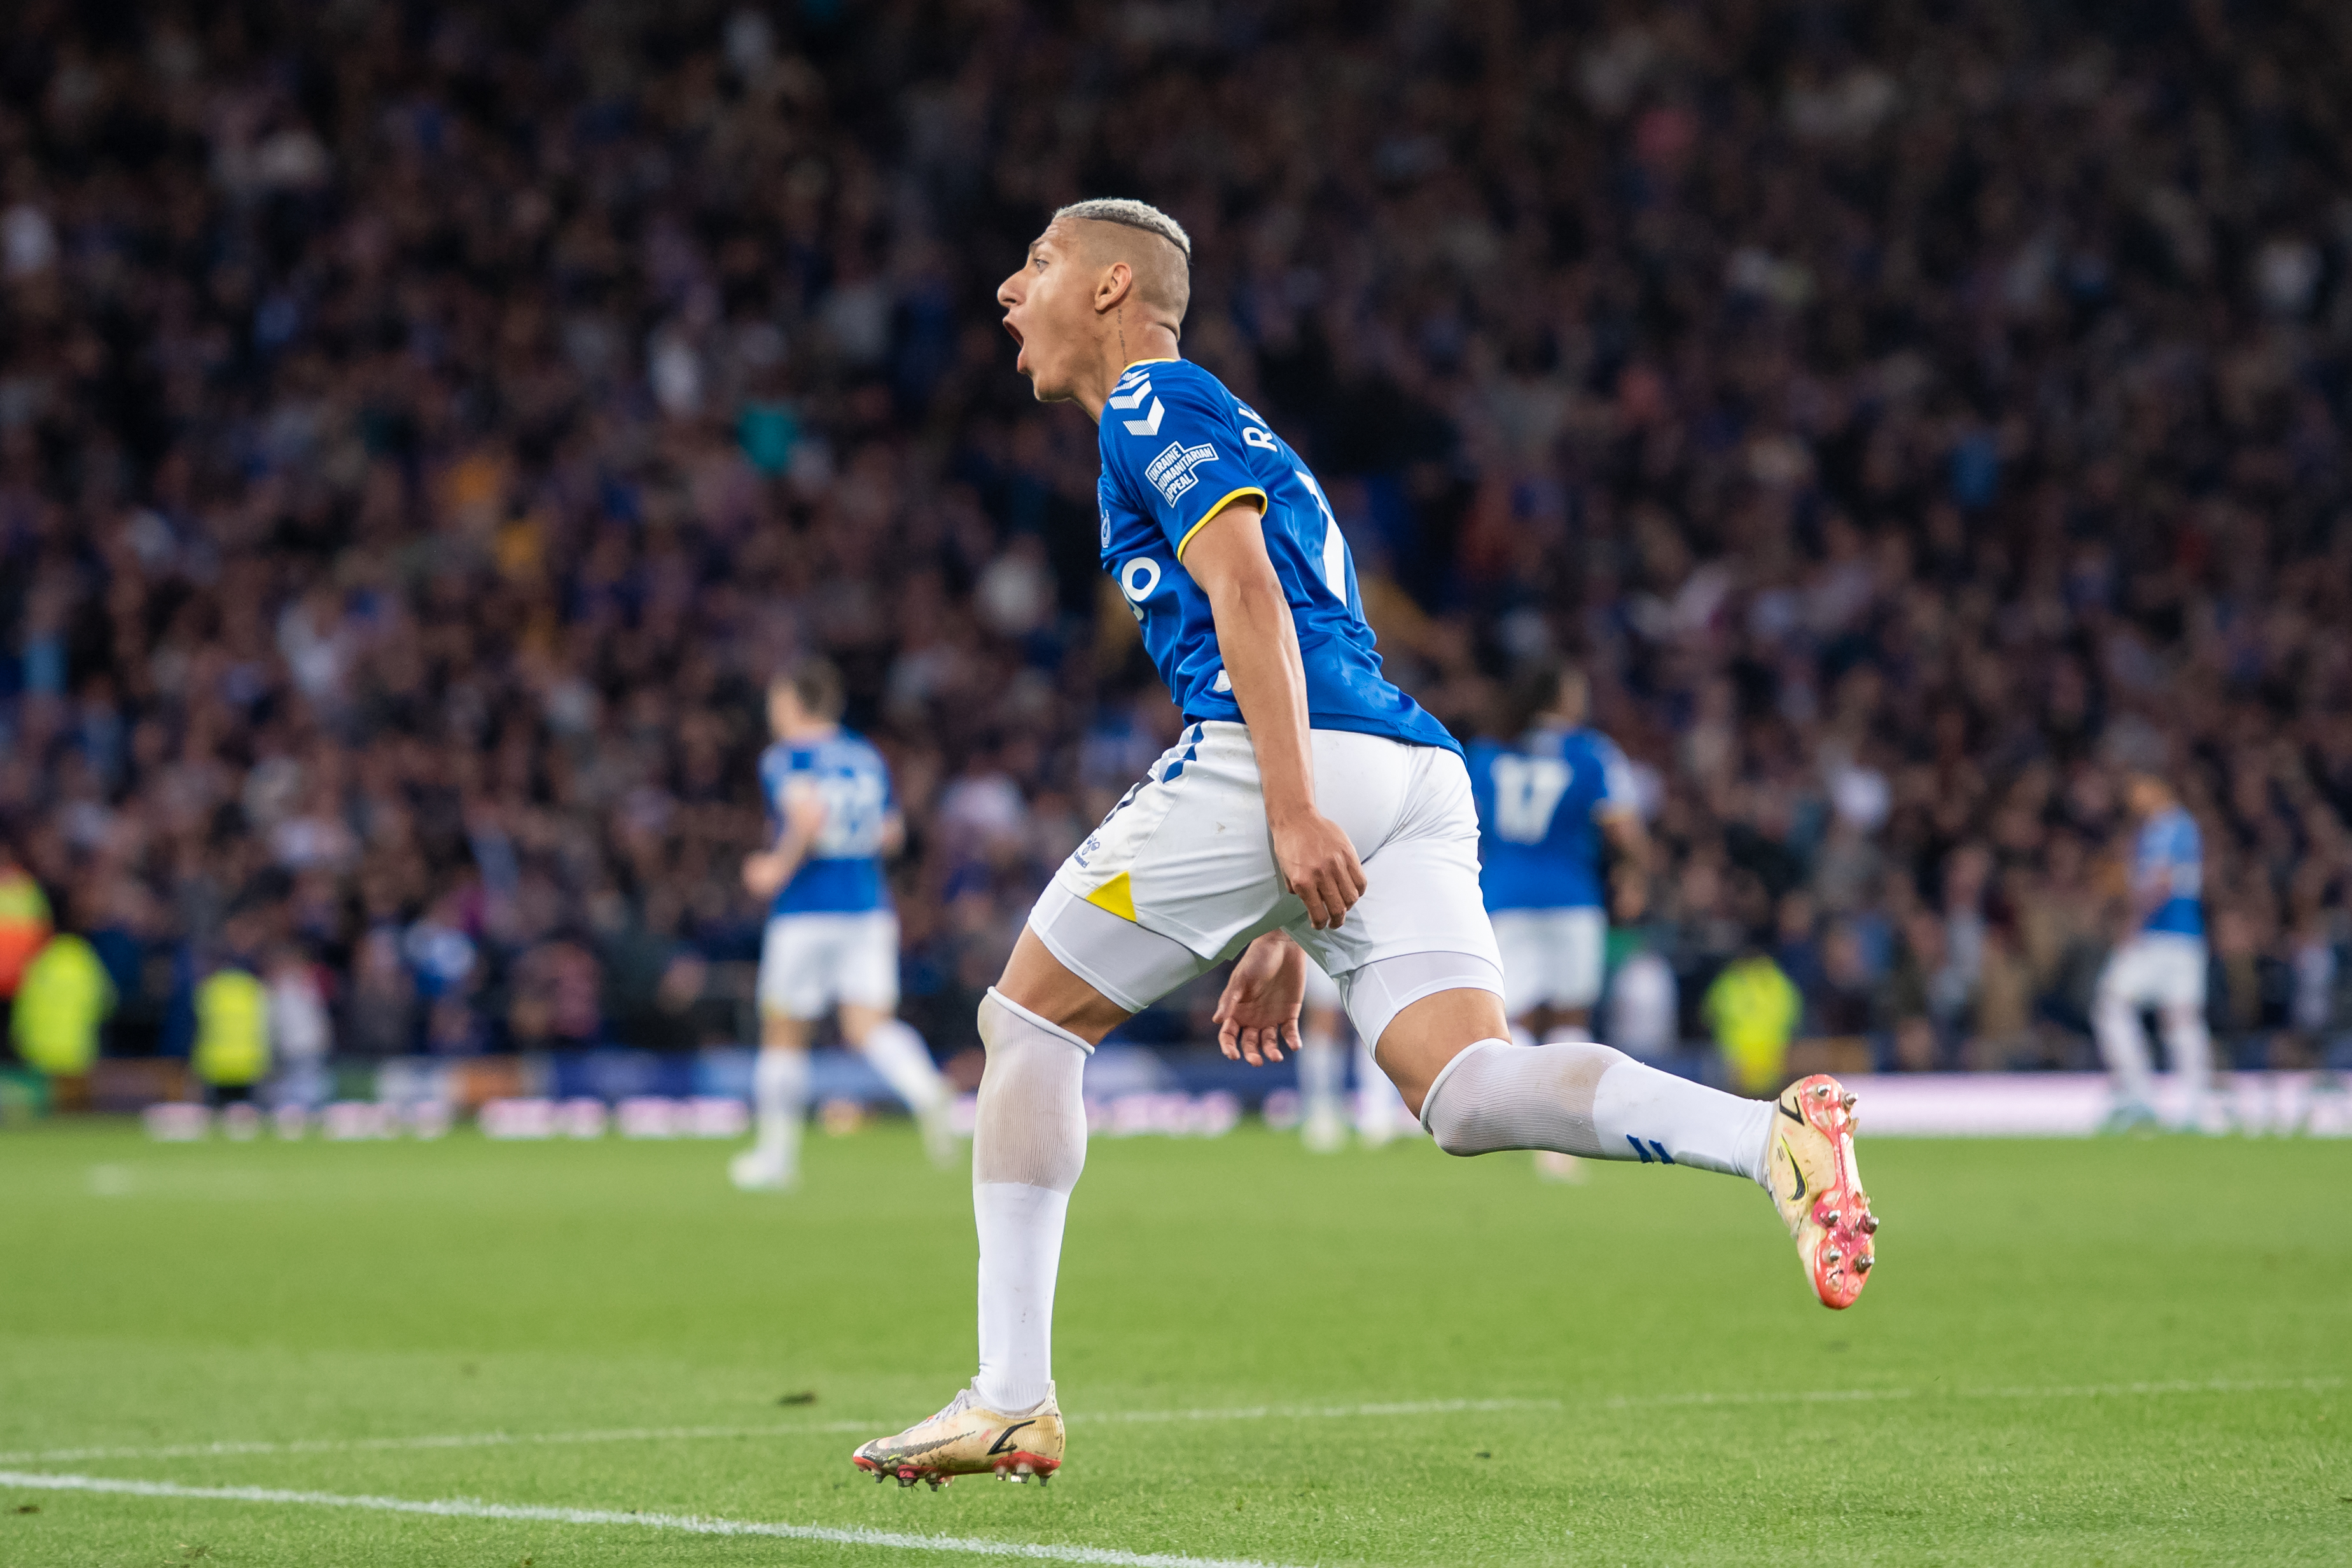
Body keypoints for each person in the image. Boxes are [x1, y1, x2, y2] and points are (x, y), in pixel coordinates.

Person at [848, 200, 1880, 1489]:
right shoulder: (1213, 420)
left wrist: (1286, 812)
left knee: (1029, 1025)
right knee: (1466, 1091)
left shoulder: (1153, 405)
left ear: (1114, 286)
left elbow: (1247, 594)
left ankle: (1008, 1394)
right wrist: (1286, 905)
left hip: (1291, 749)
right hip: (1409, 761)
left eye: (1038, 262)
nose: (1009, 290)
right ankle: (1767, 1135)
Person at [731, 658, 957, 1191]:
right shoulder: (864, 755)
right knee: (867, 1025)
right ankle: (927, 1090)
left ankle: (775, 1158)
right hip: (867, 907)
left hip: (807, 911)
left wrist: (773, 868)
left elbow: (807, 817)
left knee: (784, 1030)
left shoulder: (787, 758)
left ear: (793, 702)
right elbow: (891, 832)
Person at [1466, 662, 1647, 1044]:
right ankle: (1564, 1104)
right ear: (1562, 697)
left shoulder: (1485, 754)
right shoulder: (1591, 752)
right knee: (1571, 1016)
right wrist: (1636, 875)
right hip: (1572, 896)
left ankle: (1514, 1102)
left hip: (1504, 896)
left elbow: (1464, 828)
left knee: (1514, 1014)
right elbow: (1623, 830)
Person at [2093, 772, 2214, 1131]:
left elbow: (2160, 882)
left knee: (2112, 1004)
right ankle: (2194, 1107)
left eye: (2137, 789)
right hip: (2186, 938)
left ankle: (2140, 1097)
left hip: (2160, 938)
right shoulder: (2177, 827)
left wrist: (2132, 925)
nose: (2133, 799)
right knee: (2181, 1019)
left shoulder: (2168, 826)